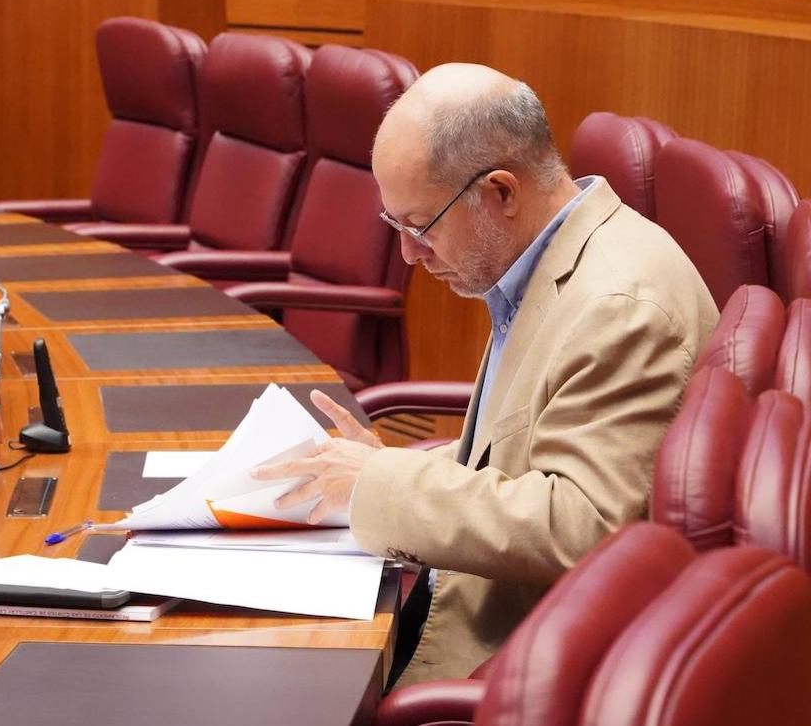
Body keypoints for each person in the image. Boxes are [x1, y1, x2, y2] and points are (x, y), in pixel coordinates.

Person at [252, 63, 719, 685]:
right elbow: (516, 461)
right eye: (396, 228)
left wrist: (382, 483)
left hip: (511, 661)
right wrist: (380, 471)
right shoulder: (545, 263)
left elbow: (584, 526)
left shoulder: (620, 307)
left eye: (420, 227)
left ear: (501, 191)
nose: (408, 255)